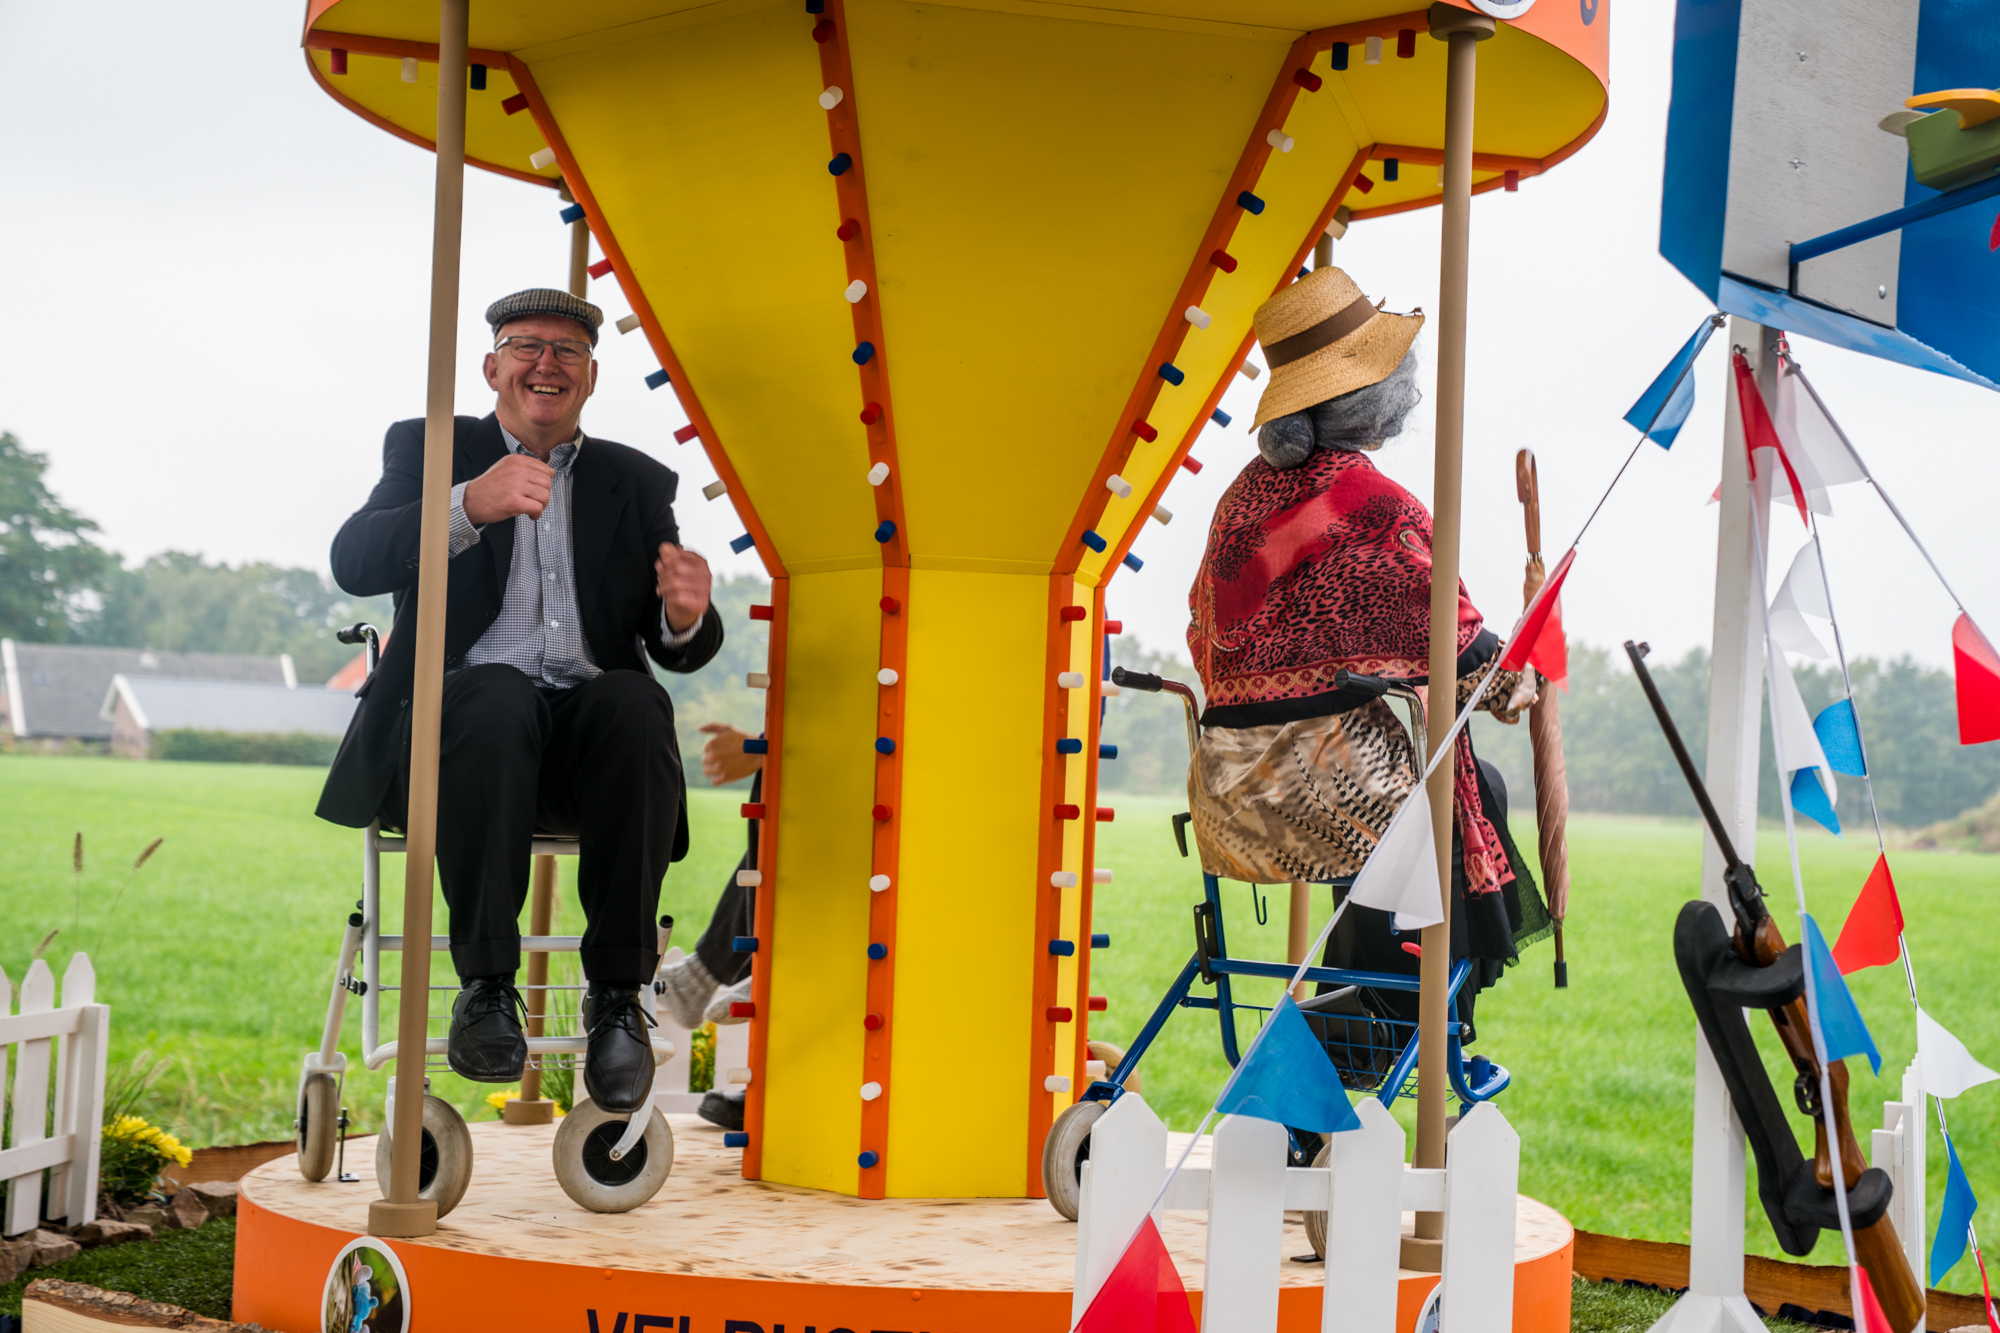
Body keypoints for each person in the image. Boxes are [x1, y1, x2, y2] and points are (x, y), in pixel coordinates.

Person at [317, 288, 722, 1115]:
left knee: (633, 701)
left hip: (584, 754)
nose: (547, 364)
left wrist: (684, 616)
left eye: (568, 351)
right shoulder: (430, 448)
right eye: (526, 345)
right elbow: (353, 559)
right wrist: (468, 503)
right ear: (491, 366)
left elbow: (675, 643)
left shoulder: (635, 481)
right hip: (462, 739)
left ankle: (618, 998)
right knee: (498, 693)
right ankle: (487, 989)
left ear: (591, 377)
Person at [1185, 266, 1550, 1033]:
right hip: (1333, 802)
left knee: (1421, 793)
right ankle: (1394, 1020)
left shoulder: (1239, 499)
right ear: (1373, 395)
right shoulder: (1374, 505)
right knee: (1466, 793)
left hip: (1228, 797)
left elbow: (1203, 632)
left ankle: (1364, 1007)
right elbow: (1465, 653)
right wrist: (1519, 680)